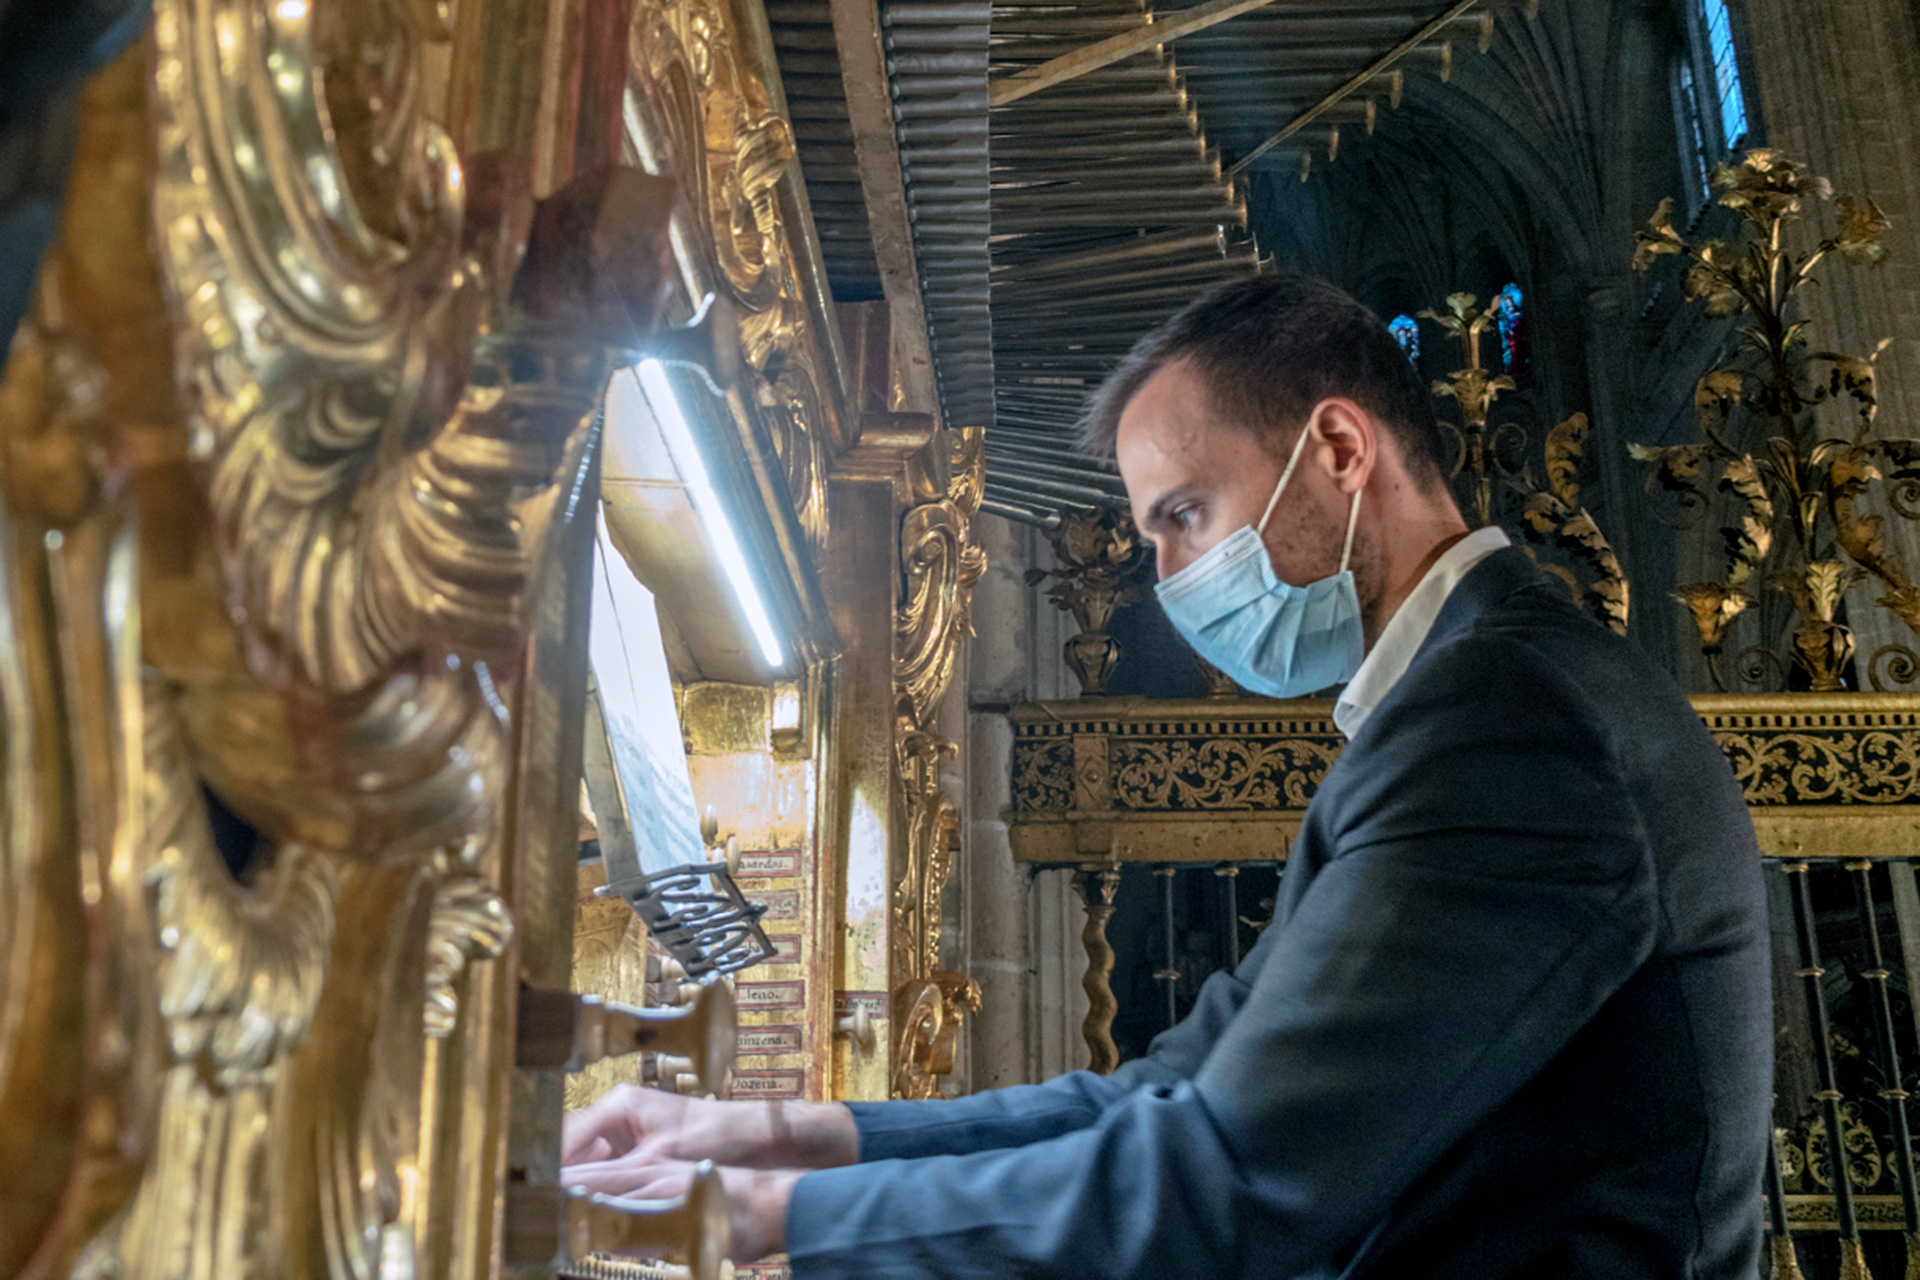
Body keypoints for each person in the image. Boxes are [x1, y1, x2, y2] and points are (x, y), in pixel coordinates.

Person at [561, 275, 1772, 1278]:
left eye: (1185, 514)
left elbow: (1233, 1175)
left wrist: (758, 1217)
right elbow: (1172, 1090)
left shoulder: (1506, 719)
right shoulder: (1484, 693)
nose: (1166, 569)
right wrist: (776, 1138)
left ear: (1339, 447)